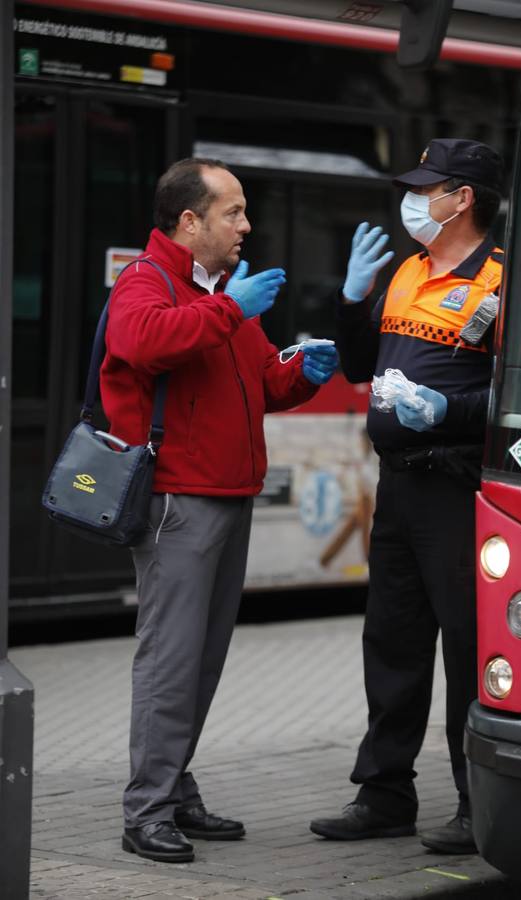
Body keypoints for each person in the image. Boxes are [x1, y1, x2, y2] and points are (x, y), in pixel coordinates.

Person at [100, 158, 339, 863]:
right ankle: (146, 810)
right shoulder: (147, 280)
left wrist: (301, 373)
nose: (246, 224)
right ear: (189, 221)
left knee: (200, 662)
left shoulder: (222, 287)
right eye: (233, 212)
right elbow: (139, 344)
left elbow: (262, 381)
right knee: (170, 663)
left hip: (227, 496)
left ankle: (173, 788)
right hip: (179, 500)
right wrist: (232, 309)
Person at [309, 139, 504, 854]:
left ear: (464, 199)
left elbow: (516, 398)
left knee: (467, 649)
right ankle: (384, 795)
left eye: (430, 188)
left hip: (456, 488)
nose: (414, 200)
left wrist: (444, 412)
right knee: (391, 642)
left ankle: (478, 803)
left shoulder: (501, 282)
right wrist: (353, 301)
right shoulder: (409, 270)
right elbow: (361, 365)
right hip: (397, 485)